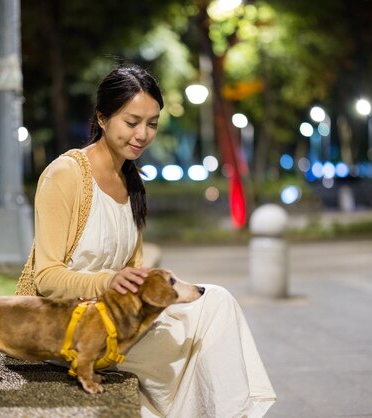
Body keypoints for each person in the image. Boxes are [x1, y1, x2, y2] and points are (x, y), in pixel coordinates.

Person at [27, 64, 276, 417]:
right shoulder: (65, 174)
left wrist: (156, 288)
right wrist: (108, 281)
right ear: (102, 118)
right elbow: (46, 277)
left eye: (152, 123)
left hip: (120, 315)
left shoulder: (130, 180)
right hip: (73, 329)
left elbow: (133, 268)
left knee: (216, 301)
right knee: (197, 343)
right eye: (132, 122)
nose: (143, 134)